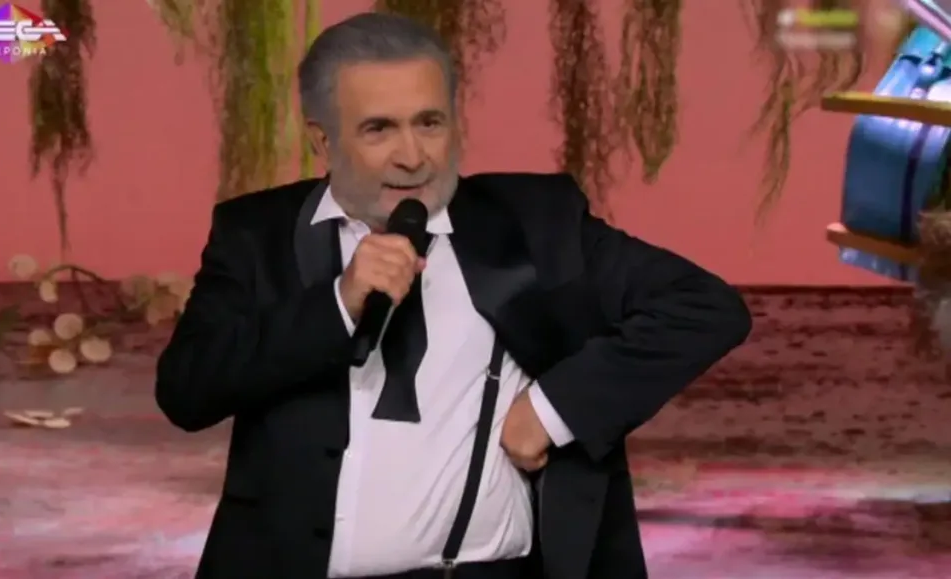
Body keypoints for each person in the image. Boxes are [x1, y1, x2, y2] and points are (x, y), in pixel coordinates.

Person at [155, 11, 751, 579]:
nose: (413, 156)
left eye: (429, 123)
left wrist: (553, 410)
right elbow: (186, 392)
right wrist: (337, 304)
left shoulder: (537, 222)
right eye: (379, 129)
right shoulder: (256, 234)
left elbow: (705, 306)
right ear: (322, 141)